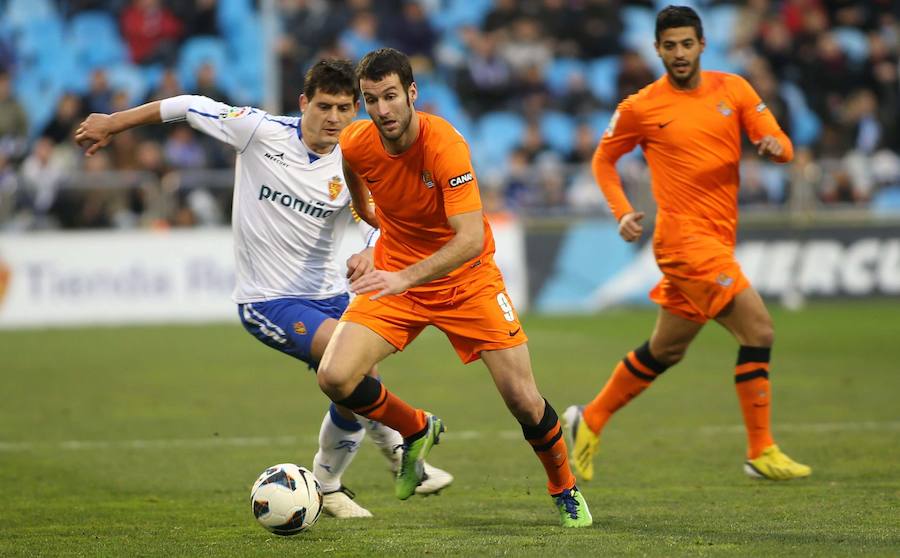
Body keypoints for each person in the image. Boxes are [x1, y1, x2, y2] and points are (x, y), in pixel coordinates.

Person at [73, 59, 452, 518]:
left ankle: (330, 483)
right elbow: (189, 106)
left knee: (355, 379)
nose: (334, 118)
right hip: (268, 299)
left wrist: (370, 250)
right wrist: (115, 123)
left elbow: (377, 219)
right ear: (303, 103)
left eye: (345, 109)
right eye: (324, 106)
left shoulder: (358, 157)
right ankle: (398, 441)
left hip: (331, 293)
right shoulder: (258, 131)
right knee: (344, 359)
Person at [316, 48, 592, 528]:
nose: (381, 110)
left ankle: (564, 487)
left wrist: (401, 275)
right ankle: (416, 428)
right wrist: (371, 223)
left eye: (390, 97)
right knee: (334, 377)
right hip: (397, 275)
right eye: (371, 100)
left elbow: (467, 241)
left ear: (412, 94)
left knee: (523, 400)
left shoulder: (445, 146)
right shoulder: (358, 141)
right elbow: (352, 174)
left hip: (467, 281)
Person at [564, 6, 812, 482]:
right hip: (683, 243)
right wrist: (621, 212)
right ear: (657, 49)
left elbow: (780, 142)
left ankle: (588, 419)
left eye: (686, 44)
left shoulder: (734, 89)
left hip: (717, 238)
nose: (678, 53)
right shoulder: (641, 106)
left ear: (702, 45)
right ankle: (761, 450)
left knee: (665, 350)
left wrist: (776, 149)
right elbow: (603, 160)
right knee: (758, 331)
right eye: (669, 45)